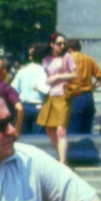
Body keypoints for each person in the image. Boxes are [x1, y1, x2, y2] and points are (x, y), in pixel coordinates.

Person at [38, 33, 75, 166]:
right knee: (49, 128)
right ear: (52, 44)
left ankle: (62, 161)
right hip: (49, 94)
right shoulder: (46, 59)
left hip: (62, 94)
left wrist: (58, 77)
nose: (62, 46)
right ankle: (61, 156)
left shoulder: (67, 57)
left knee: (61, 130)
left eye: (64, 43)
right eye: (59, 43)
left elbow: (75, 74)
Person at [65, 39, 101, 136]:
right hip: (88, 97)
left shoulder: (67, 59)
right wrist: (93, 87)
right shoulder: (89, 59)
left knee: (73, 131)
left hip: (73, 96)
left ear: (69, 49)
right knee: (86, 131)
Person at [12, 43, 48, 137]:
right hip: (39, 106)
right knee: (39, 138)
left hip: (24, 106)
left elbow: (14, 88)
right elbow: (47, 90)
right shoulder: (44, 71)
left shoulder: (22, 71)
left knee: (24, 137)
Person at [0, 58, 23, 136]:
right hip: (3, 128)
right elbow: (19, 108)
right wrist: (16, 131)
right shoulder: (7, 89)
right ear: (4, 71)